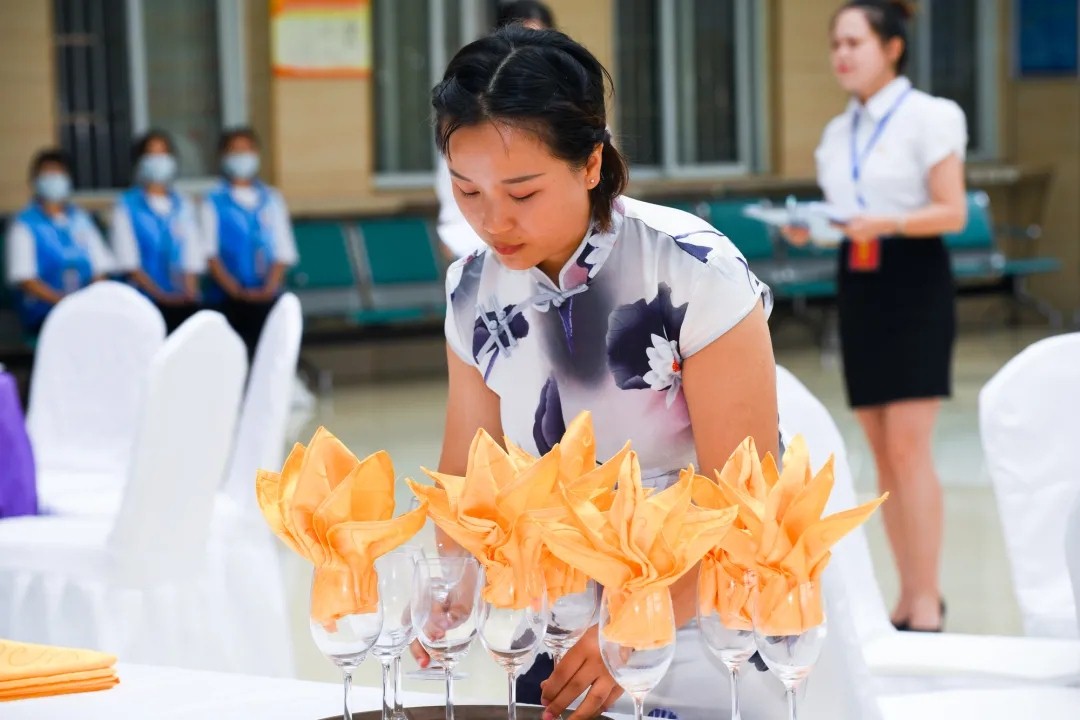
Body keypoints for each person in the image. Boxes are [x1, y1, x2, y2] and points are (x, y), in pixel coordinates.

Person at [412, 25, 884, 720]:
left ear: (592, 163)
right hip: (563, 625)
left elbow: (742, 504)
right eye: (468, 191)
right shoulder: (472, 293)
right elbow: (467, 482)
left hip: (712, 622)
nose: (493, 221)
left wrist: (631, 624)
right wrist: (450, 582)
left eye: (522, 192)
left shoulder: (692, 270)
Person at [782, 0, 967, 633]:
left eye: (855, 42)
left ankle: (926, 597)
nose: (841, 55)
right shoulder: (840, 133)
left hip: (913, 280)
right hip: (858, 280)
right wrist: (813, 231)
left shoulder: (929, 117)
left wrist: (883, 222)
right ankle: (908, 593)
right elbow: (846, 216)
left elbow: (953, 212)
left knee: (911, 447)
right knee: (883, 452)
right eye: (836, 43)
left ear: (892, 48)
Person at [434, 1, 556, 260]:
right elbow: (453, 217)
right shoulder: (470, 116)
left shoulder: (576, 117)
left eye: (523, 193)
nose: (527, 56)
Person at [200, 127, 298, 358]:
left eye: (247, 150)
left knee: (271, 348)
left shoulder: (271, 198)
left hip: (267, 292)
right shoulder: (213, 200)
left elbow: (282, 251)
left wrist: (268, 288)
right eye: (235, 151)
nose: (242, 156)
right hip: (228, 296)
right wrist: (238, 291)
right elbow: (209, 254)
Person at [4, 149, 116, 335]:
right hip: (45, 313)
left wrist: (89, 303)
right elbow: (26, 280)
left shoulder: (81, 219)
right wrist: (65, 303)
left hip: (85, 311)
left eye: (58, 173)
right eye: (47, 173)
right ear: (34, 181)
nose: (53, 178)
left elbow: (100, 270)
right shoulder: (24, 224)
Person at [110, 130, 206, 332]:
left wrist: (188, 293)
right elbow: (129, 264)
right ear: (140, 162)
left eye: (163, 153)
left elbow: (191, 257)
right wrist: (162, 296)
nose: (158, 160)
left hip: (181, 300)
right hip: (143, 301)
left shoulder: (183, 204)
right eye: (151, 154)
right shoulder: (126, 206)